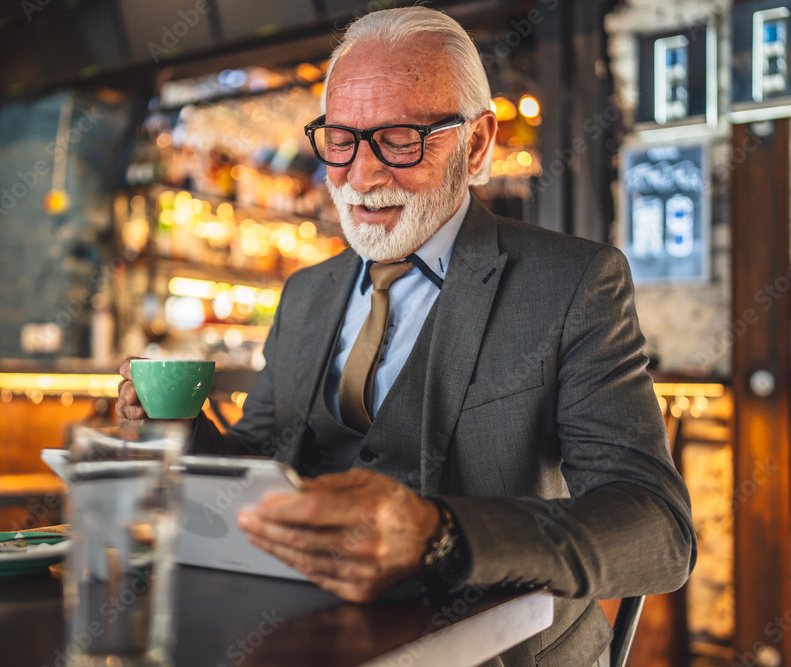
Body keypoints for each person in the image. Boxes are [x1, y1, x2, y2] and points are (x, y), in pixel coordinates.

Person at [118, 7, 695, 666]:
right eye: (340, 138)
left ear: (477, 145)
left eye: (399, 138)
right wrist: (182, 430)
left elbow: (658, 528)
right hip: (307, 638)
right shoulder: (306, 293)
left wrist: (442, 535)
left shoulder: (572, 283)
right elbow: (256, 462)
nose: (362, 175)